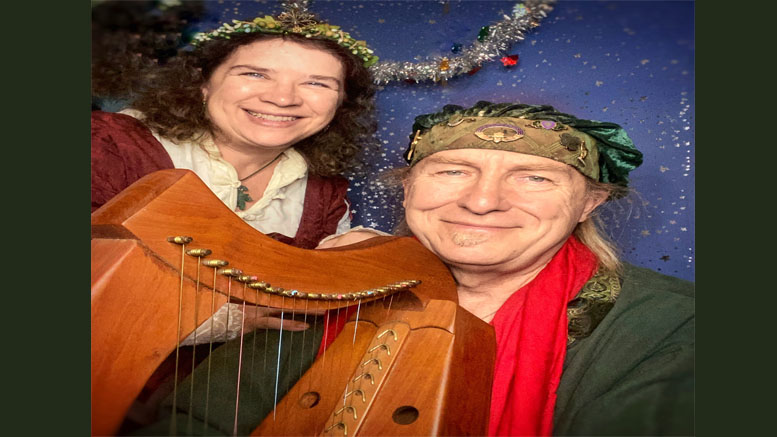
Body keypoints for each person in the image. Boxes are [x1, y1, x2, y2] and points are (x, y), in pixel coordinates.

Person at [91, 9, 383, 339]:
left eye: (316, 83)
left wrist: (370, 255)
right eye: (254, 74)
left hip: (222, 386)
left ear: (341, 103)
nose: (282, 98)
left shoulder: (324, 195)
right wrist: (227, 322)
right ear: (203, 84)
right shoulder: (106, 146)